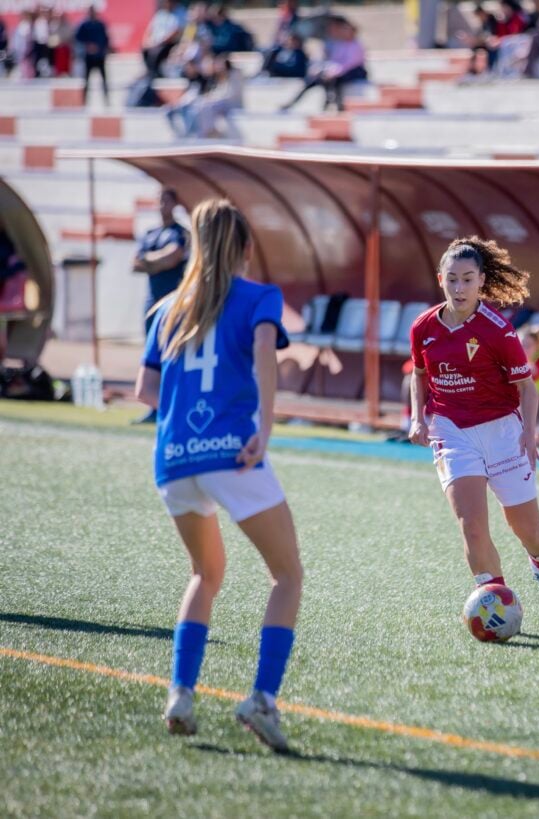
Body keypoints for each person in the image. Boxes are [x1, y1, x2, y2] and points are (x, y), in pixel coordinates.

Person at [134, 198, 301, 752]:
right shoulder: (258, 296)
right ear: (247, 248)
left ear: (196, 247)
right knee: (286, 575)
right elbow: (262, 351)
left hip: (174, 458)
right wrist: (263, 426)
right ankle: (261, 699)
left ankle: (180, 694)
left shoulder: (166, 310)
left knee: (205, 573)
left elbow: (145, 393)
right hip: (232, 451)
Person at [407, 237, 539, 613]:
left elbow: (527, 389)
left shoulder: (498, 331)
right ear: (440, 279)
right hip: (451, 431)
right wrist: (418, 418)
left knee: (527, 529)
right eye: (452, 279)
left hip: (502, 432)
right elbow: (418, 375)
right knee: (472, 527)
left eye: (467, 279)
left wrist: (528, 436)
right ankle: (497, 604)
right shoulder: (423, 328)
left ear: (481, 280)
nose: (459, 287)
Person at [133, 189, 190, 422]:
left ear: (176, 204)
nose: (162, 205)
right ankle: (156, 407)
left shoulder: (181, 233)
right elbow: (136, 263)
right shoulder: (151, 233)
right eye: (160, 200)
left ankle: (174, 405)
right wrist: (160, 261)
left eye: (168, 200)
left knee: (173, 354)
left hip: (174, 303)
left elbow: (174, 257)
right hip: (152, 303)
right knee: (152, 356)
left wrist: (151, 261)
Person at [279, 16, 367, 113]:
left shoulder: (357, 46)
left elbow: (349, 64)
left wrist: (333, 72)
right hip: (338, 71)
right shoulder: (340, 43)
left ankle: (338, 106)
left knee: (335, 80)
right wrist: (322, 69)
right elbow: (334, 61)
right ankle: (294, 103)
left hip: (353, 72)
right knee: (312, 80)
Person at [75, 6, 111, 106]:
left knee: (104, 80)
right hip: (88, 57)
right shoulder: (84, 25)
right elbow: (78, 39)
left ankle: (107, 101)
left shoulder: (100, 24)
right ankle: (84, 102)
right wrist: (87, 47)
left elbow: (106, 39)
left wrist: (102, 49)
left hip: (100, 56)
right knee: (86, 80)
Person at [142, 0, 183, 78]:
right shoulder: (160, 14)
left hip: (169, 43)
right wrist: (147, 42)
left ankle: (155, 73)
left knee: (156, 52)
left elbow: (176, 32)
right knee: (145, 50)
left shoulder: (180, 13)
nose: (167, 3)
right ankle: (151, 72)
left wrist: (159, 43)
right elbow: (150, 29)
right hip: (155, 42)